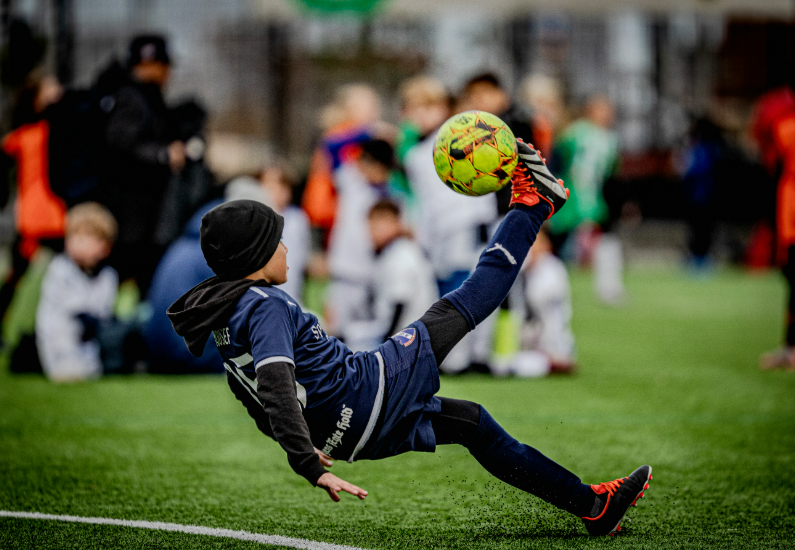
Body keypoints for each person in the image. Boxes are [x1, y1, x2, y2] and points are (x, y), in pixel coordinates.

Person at [167, 139, 651, 536]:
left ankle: (592, 507)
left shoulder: (229, 314)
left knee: (472, 424)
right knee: (462, 304)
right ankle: (533, 204)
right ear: (255, 253)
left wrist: (310, 441)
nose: (287, 246)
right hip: (364, 391)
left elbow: (249, 390)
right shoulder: (267, 304)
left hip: (346, 426)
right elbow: (272, 383)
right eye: (277, 239)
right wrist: (307, 463)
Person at [403, 86, 497, 373]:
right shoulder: (415, 155)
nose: (421, 114)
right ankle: (455, 355)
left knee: (470, 285)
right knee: (445, 289)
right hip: (437, 234)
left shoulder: (464, 144)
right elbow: (425, 202)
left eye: (429, 106)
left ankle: (473, 355)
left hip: (467, 227)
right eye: (414, 108)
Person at [105, 35, 186, 296]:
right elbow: (120, 144)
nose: (168, 72)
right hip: (129, 214)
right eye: (163, 65)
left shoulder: (150, 98)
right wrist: (163, 154)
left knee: (144, 279)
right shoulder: (130, 97)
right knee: (120, 276)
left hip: (143, 214)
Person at [0, 75, 66, 323]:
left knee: (17, 275)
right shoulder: (35, 134)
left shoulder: (22, 135)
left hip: (34, 218)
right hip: (49, 217)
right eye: (50, 88)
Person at [548, 95, 624, 305]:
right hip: (569, 198)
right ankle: (549, 289)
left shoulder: (610, 139)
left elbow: (612, 175)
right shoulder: (573, 134)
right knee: (555, 241)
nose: (605, 115)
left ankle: (610, 288)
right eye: (600, 109)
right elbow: (556, 164)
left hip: (596, 200)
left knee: (607, 241)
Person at [36, 203, 118, 382]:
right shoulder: (59, 270)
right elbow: (74, 312)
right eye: (74, 236)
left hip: (92, 347)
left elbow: (104, 313)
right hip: (61, 346)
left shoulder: (107, 276)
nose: (78, 243)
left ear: (105, 246)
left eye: (87, 237)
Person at [326, 139, 395, 346]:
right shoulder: (351, 181)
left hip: (371, 278)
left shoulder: (388, 194)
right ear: (366, 163)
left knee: (363, 336)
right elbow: (331, 146)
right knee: (335, 332)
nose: (384, 174)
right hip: (343, 273)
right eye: (381, 168)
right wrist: (368, 129)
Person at [345, 200, 438, 351]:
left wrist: (386, 348)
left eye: (382, 224)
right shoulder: (391, 251)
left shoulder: (402, 254)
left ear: (397, 224)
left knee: (342, 344)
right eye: (372, 225)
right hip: (406, 335)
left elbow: (400, 304)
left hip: (408, 340)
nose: (375, 231)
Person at [498, 226, 575, 377]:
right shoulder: (521, 271)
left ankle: (553, 363)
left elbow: (541, 305)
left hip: (549, 344)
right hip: (524, 344)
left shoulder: (550, 270)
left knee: (505, 365)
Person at [260, 165, 310, 304]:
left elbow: (302, 259)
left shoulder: (297, 218)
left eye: (282, 186)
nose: (277, 192)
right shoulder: (257, 220)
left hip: (292, 294)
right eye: (270, 185)